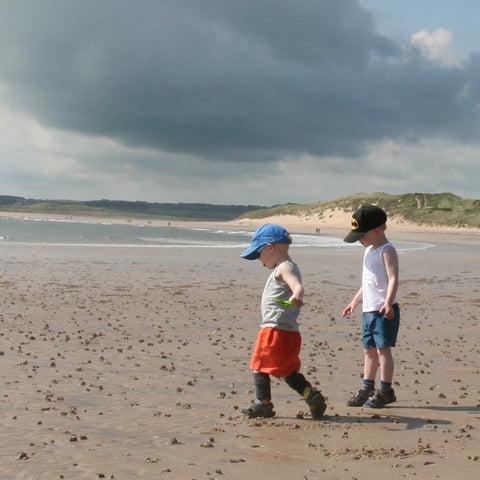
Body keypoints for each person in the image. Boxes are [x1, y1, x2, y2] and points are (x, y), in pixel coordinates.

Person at [240, 223, 327, 419]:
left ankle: (263, 403)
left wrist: (297, 293)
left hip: (274, 329)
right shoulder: (287, 267)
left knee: (258, 365)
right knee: (287, 371)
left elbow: (297, 286)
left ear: (270, 247)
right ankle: (311, 395)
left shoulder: (284, 267)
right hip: (289, 331)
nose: (259, 259)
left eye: (258, 254)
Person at [342, 205, 400, 408]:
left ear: (377, 230)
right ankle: (367, 387)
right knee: (369, 350)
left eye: (361, 235)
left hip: (384, 310)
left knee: (383, 350)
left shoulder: (387, 250)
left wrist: (388, 302)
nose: (359, 239)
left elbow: (393, 279)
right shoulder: (368, 251)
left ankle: (385, 390)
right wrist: (355, 302)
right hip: (369, 310)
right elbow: (367, 283)